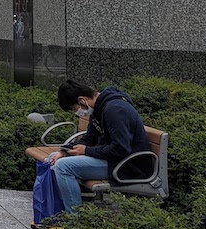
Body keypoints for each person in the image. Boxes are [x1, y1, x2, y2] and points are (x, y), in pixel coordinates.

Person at [44, 80, 150, 220]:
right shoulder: (99, 109)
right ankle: (58, 213)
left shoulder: (115, 110)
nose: (76, 113)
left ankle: (74, 221)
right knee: (54, 157)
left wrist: (87, 151)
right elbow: (89, 139)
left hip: (126, 166)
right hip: (113, 161)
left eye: (73, 109)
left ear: (82, 100)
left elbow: (121, 149)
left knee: (63, 167)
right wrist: (63, 151)